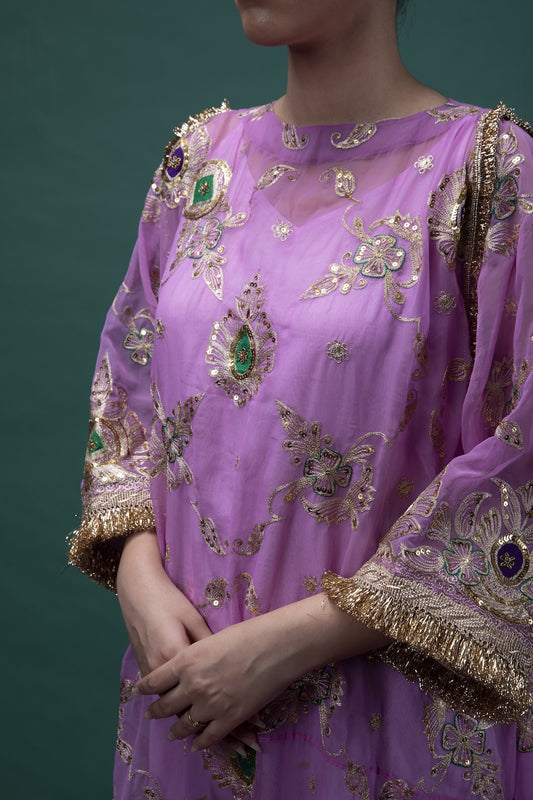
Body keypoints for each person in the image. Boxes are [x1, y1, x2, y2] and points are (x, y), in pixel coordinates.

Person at [69, 1, 533, 797]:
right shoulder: (199, 159)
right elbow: (129, 394)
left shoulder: (488, 172)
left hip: (384, 719)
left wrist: (294, 642)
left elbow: (520, 456)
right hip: (185, 711)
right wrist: (140, 586)